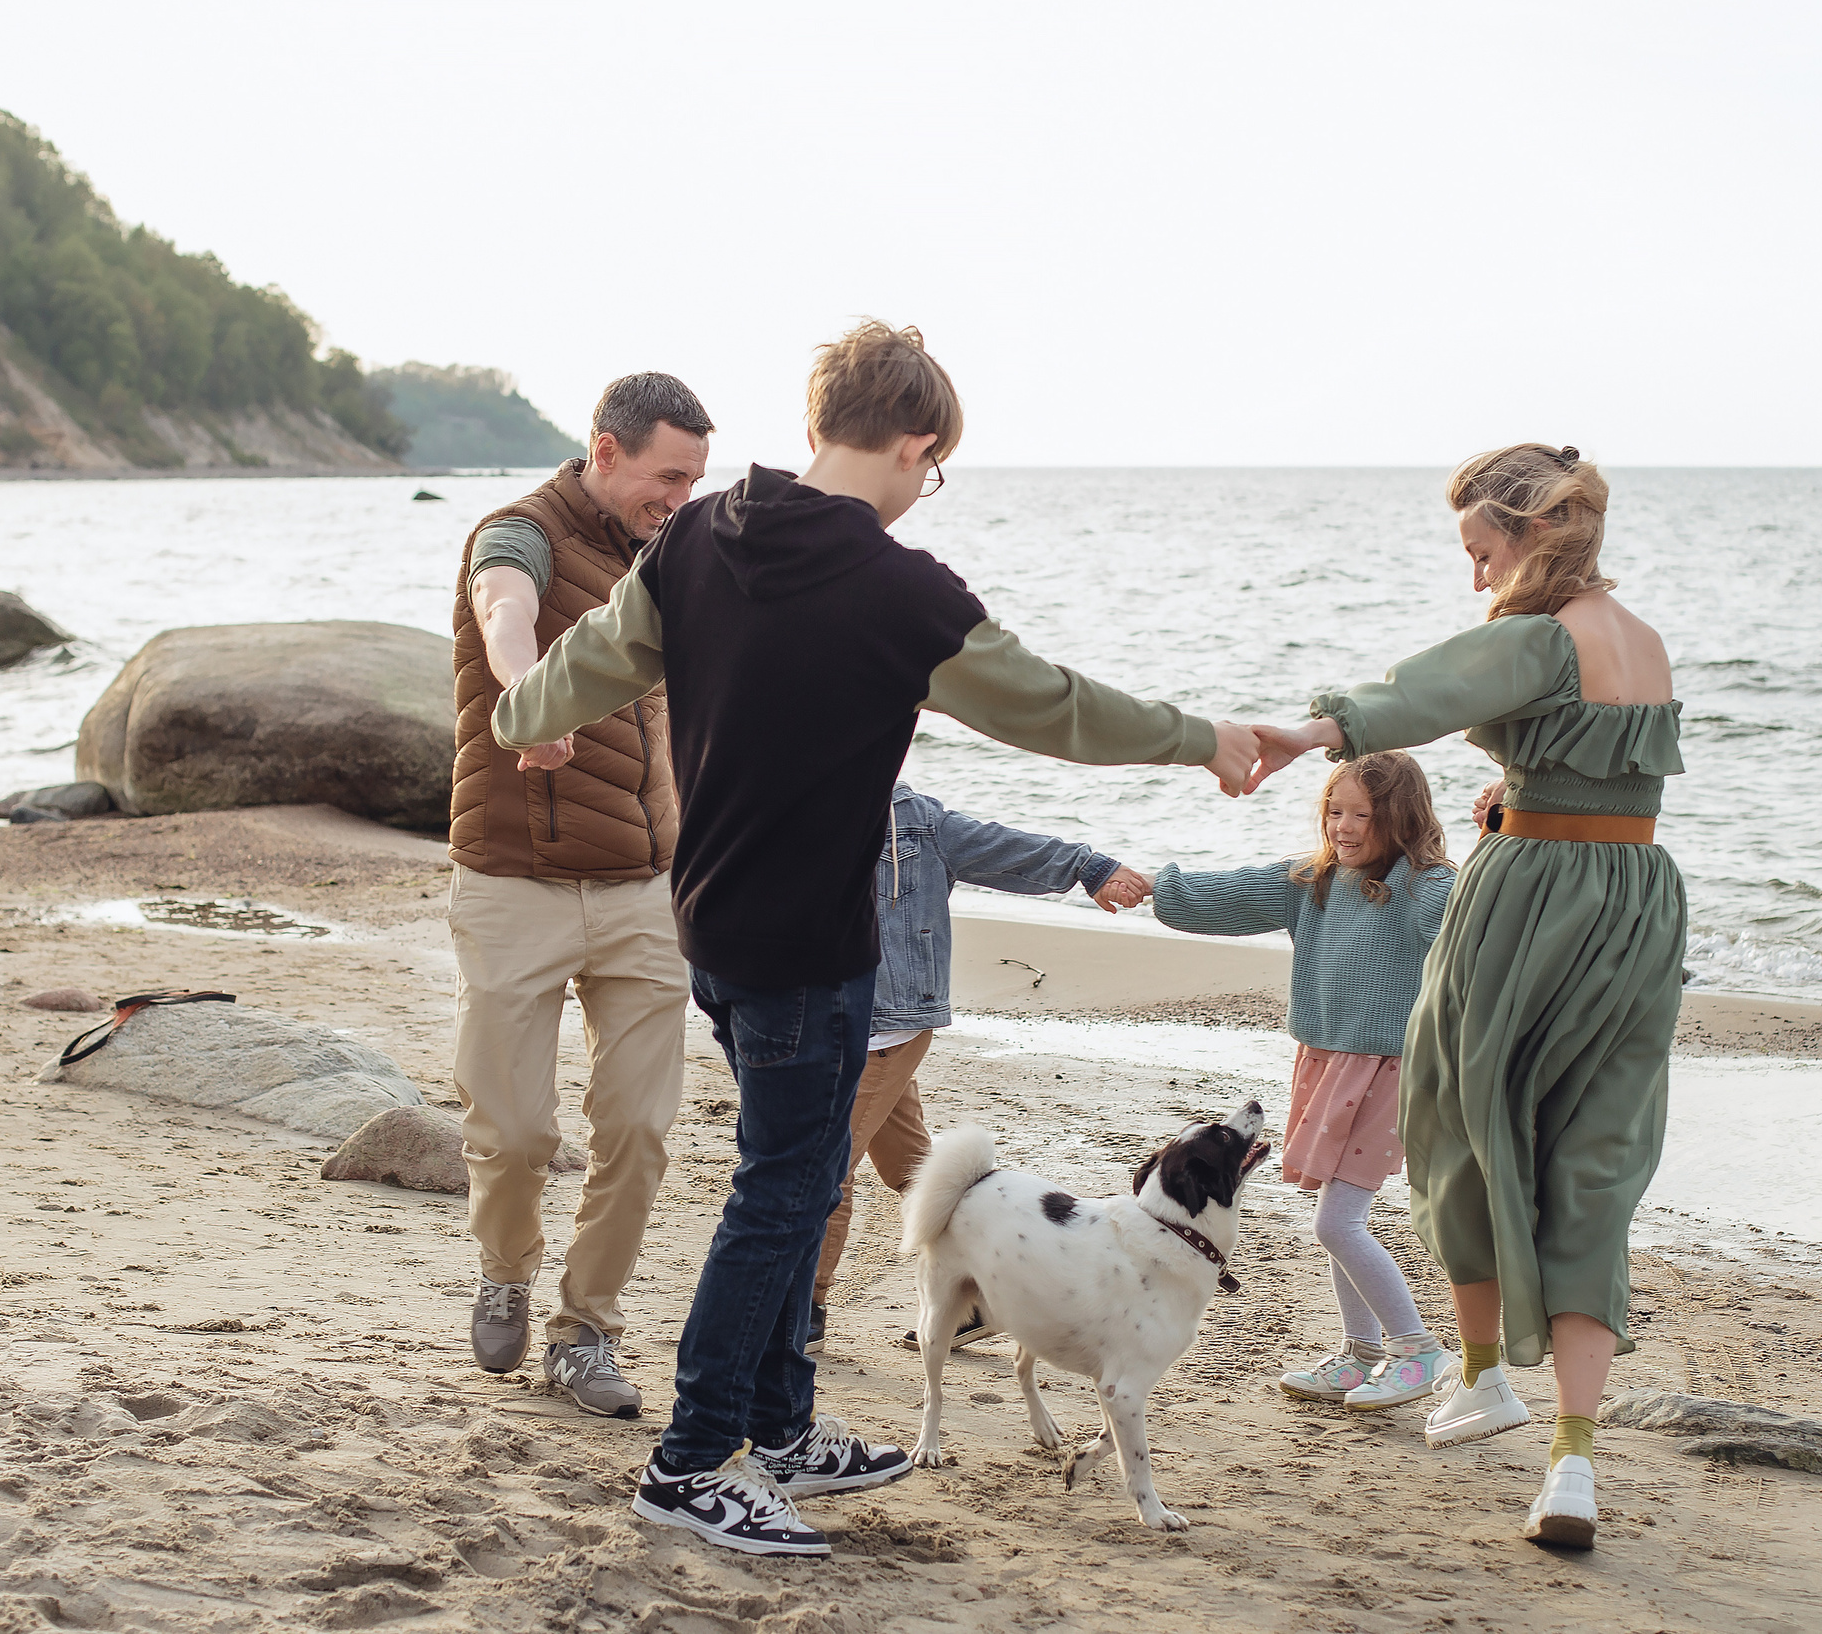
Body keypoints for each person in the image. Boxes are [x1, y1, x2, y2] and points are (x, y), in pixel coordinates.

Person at [493, 321, 1266, 1558]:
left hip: (716, 929)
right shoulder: (900, 591)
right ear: (916, 444)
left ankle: (786, 1430)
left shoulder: (696, 534)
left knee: (797, 1187)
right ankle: (692, 1466)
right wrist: (1201, 736)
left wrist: (531, 714)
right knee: (781, 1194)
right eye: (932, 465)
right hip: (807, 945)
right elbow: (1052, 707)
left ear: (816, 425)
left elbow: (573, 671)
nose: (923, 488)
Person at [1252, 443, 1683, 1551]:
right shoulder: (1641, 639)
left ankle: (1483, 1374)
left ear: (1529, 537)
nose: (1473, 577)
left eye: (1478, 553)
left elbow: (1422, 694)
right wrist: (1521, 787)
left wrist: (1308, 731)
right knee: (1592, 1159)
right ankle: (1573, 1464)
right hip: (1633, 904)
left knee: (1456, 1117)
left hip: (1528, 903)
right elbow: (1606, 776)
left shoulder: (1536, 637)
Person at [446, 372, 712, 1419]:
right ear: (603, 452)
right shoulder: (518, 533)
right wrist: (527, 690)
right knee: (512, 1131)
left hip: (650, 890)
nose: (681, 497)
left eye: (695, 479)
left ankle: (585, 1331)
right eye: (666, 476)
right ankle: (503, 1269)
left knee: (639, 1131)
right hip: (515, 885)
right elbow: (500, 610)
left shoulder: (673, 553)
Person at [1151, 752, 1458, 1412]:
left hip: (1393, 1069)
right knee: (1337, 1215)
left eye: (1362, 815)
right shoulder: (1313, 879)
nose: (1344, 827)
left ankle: (1416, 1346)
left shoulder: (1427, 885)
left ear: (1400, 817)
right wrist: (1156, 886)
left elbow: (1477, 941)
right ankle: (1362, 1352)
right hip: (1327, 1062)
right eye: (1334, 811)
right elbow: (1228, 894)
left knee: (1337, 1222)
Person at [808, 782, 1153, 1353]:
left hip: (886, 1026)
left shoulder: (913, 820)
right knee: (924, 1173)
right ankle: (990, 1297)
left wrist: (1090, 868)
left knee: (822, 1166)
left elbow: (1002, 848)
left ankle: (804, 1307)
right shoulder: (791, 799)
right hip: (825, 1018)